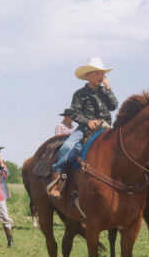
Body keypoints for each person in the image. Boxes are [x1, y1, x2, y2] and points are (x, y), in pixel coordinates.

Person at [47, 57, 118, 199]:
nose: (100, 76)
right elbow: (74, 113)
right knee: (67, 147)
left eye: (102, 73)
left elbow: (114, 106)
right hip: (85, 129)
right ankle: (58, 178)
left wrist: (109, 89)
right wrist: (88, 121)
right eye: (97, 73)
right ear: (88, 76)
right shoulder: (79, 94)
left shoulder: (105, 92)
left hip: (106, 128)